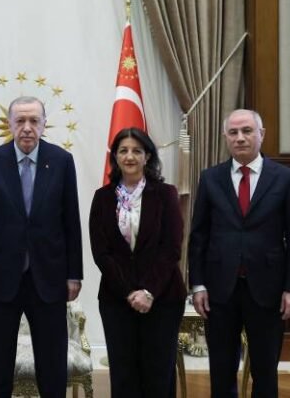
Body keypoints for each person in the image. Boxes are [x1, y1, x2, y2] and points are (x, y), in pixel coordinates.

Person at [0, 95, 83, 398]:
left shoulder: (62, 161)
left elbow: (71, 221)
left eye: (34, 120)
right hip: (1, 278)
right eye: (20, 121)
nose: (27, 127)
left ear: (44, 124)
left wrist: (74, 274)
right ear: (10, 124)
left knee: (52, 366)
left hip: (49, 278)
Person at [189, 109, 290, 397]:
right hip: (220, 290)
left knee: (265, 371)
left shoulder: (285, 179)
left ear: (261, 134)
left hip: (268, 290)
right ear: (225, 138)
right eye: (233, 132)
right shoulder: (210, 178)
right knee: (221, 370)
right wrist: (198, 284)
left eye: (247, 131)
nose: (240, 138)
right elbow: (199, 236)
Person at [89, 127, 186, 397]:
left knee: (158, 375)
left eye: (136, 151)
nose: (129, 156)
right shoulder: (102, 197)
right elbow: (101, 253)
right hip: (117, 300)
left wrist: (148, 291)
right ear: (115, 157)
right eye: (123, 151)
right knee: (123, 376)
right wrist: (130, 292)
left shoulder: (165, 194)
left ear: (147, 156)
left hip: (162, 299)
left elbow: (172, 248)